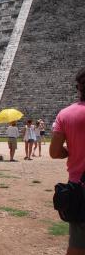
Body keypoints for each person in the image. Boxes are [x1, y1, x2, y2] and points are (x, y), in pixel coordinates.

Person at [50, 67, 85, 255]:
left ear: (78, 87)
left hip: (79, 188)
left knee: (78, 246)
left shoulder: (66, 114)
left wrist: (70, 150)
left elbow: (54, 152)